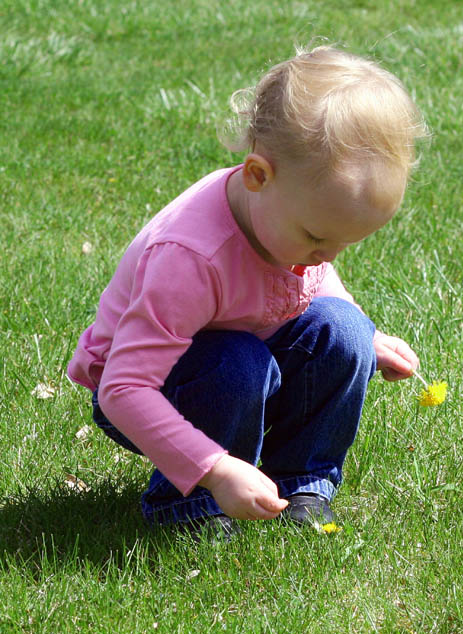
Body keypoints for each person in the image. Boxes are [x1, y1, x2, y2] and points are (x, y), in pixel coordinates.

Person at [68, 45, 426, 539]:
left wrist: (360, 329)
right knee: (237, 364)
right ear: (257, 175)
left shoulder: (286, 217)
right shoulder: (191, 258)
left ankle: (301, 481)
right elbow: (123, 390)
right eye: (319, 239)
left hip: (240, 352)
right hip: (147, 393)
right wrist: (216, 470)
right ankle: (190, 506)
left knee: (345, 331)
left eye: (347, 243)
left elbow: (315, 276)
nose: (328, 256)